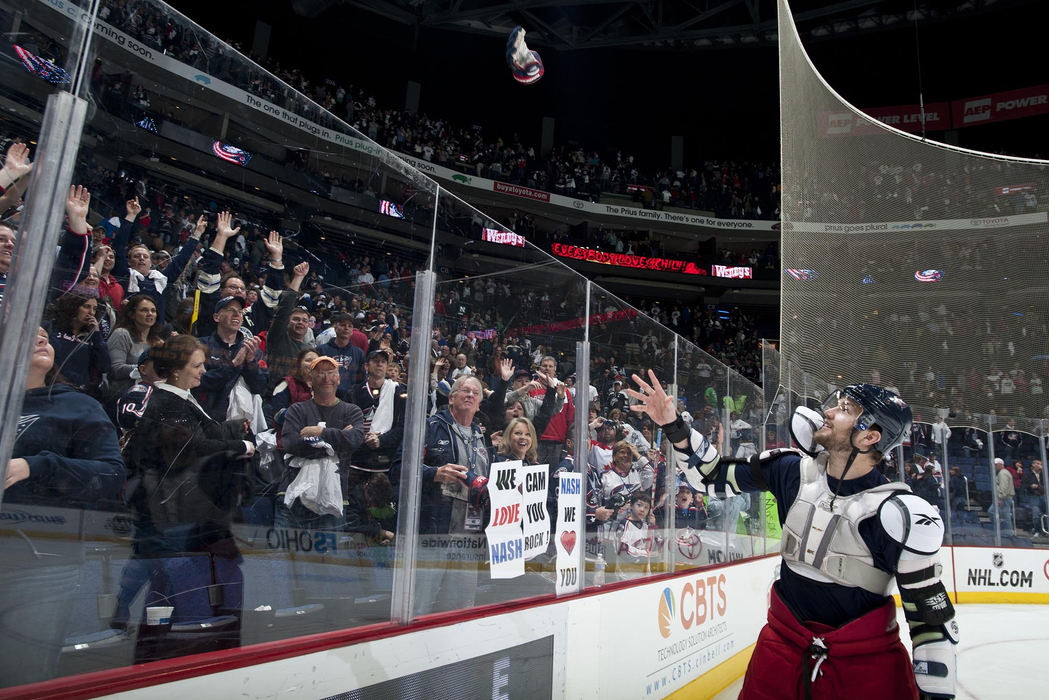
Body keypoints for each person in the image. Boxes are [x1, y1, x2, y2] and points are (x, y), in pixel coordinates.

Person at [627, 370, 957, 699]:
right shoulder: (790, 470)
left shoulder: (899, 515)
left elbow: (930, 621)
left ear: (870, 436)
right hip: (780, 655)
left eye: (844, 409)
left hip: (866, 671)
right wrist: (672, 424)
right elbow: (710, 476)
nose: (827, 412)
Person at [0, 327, 125, 685]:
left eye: (44, 335)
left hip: (41, 564)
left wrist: (35, 466)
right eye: (28, 333)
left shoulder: (77, 404)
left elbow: (111, 475)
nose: (42, 339)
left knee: (21, 677)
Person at [119, 334, 256, 644]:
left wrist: (232, 428)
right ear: (177, 370)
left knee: (173, 586)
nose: (203, 371)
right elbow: (192, 447)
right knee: (175, 588)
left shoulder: (180, 399)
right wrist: (242, 445)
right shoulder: (167, 402)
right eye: (197, 366)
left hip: (188, 512)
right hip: (176, 514)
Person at [418, 375, 491, 613]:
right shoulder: (429, 427)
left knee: (460, 607)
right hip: (435, 531)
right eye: (465, 390)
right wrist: (434, 473)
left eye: (475, 393)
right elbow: (401, 468)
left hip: (469, 537)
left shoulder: (482, 436)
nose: (470, 395)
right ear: (451, 397)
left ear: (479, 403)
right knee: (421, 604)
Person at [277, 356, 365, 531]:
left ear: (338, 378)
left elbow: (355, 440)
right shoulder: (297, 410)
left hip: (334, 496)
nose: (326, 378)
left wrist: (320, 432)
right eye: (320, 373)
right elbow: (290, 443)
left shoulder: (351, 411)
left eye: (331, 373)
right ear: (310, 380)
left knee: (328, 559)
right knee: (284, 557)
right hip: (293, 497)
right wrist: (337, 442)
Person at [46, 292, 111, 398]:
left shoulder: (93, 337)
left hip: (77, 392)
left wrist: (97, 335)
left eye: (94, 309)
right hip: (50, 387)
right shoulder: (52, 327)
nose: (91, 313)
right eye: (86, 307)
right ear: (73, 306)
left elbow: (104, 366)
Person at [107, 293, 163, 400]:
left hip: (151, 396)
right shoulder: (121, 334)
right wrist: (146, 370)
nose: (150, 314)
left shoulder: (158, 342)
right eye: (144, 310)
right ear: (132, 314)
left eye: (153, 311)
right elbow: (115, 369)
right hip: (122, 394)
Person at [993, 457, 1016, 536]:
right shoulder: (1001, 473)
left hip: (1004, 498)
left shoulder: (1003, 473)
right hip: (1004, 497)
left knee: (1004, 515)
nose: (994, 466)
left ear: (1001, 464)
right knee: (1004, 514)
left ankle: (1008, 533)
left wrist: (1000, 498)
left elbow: (1003, 487)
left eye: (996, 464)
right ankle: (1004, 530)